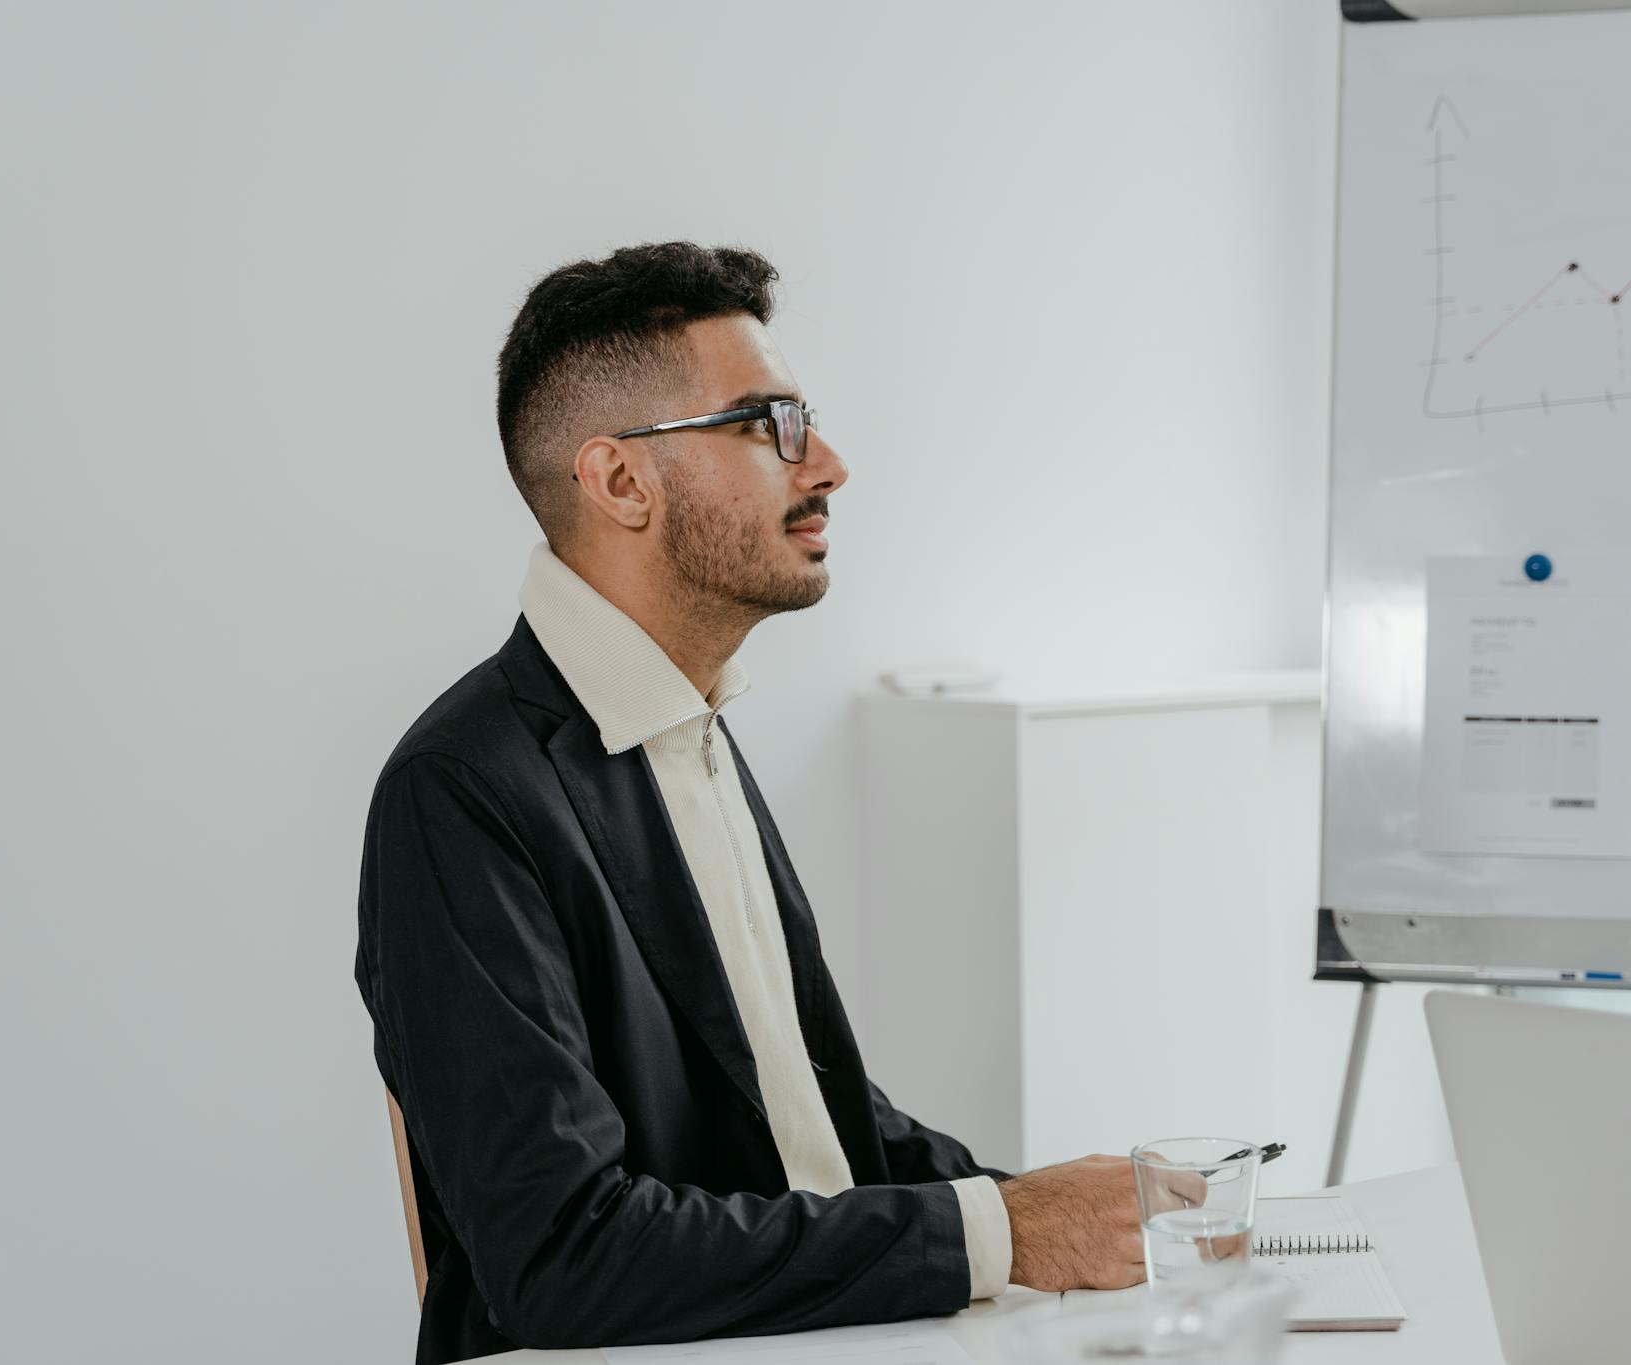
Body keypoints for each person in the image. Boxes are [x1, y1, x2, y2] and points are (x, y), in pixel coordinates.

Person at [354, 242, 1142, 1363]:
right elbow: (560, 1258)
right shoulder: (460, 793)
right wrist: (1002, 1233)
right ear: (620, 481)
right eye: (767, 424)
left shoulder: (687, 726)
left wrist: (1093, 1221)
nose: (825, 465)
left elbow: (818, 1131)